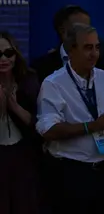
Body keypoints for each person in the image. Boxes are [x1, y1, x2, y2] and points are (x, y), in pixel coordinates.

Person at [36, 23, 104, 214]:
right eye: (88, 47)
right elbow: (48, 130)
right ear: (71, 50)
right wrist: (92, 126)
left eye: (97, 47)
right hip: (73, 174)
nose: (94, 53)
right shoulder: (54, 83)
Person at [0, 32, 40, 214]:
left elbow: (39, 125)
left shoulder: (28, 81)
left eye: (8, 53)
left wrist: (14, 107)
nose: (3, 59)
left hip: (23, 154)